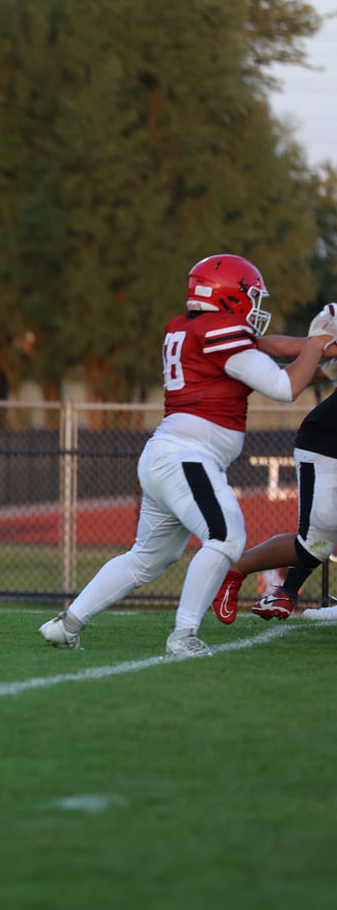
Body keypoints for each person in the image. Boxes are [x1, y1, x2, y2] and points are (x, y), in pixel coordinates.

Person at [38, 254, 334, 657]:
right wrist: (318, 344)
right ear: (231, 295)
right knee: (226, 537)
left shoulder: (196, 329)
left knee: (148, 559)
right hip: (187, 457)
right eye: (250, 295)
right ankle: (184, 636)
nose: (255, 305)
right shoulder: (220, 331)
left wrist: (324, 353)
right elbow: (285, 387)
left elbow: (273, 349)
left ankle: (67, 625)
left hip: (167, 454)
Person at [210, 307, 337, 623]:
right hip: (324, 445)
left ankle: (286, 593)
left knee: (320, 542)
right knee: (313, 546)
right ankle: (234, 571)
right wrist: (246, 347)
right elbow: (305, 353)